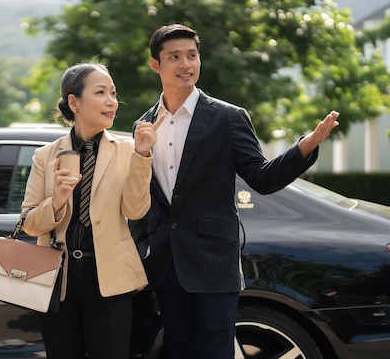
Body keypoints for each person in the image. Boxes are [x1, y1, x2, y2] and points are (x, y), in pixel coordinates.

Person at [129, 23, 340, 359]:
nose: (186, 64)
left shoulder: (227, 117)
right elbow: (141, 196)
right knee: (178, 351)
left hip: (213, 261)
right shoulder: (144, 124)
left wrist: (305, 147)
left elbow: (262, 178)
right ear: (156, 65)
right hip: (166, 265)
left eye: (192, 55)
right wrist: (144, 249)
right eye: (175, 57)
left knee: (216, 351)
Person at [20, 62, 163, 359]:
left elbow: (135, 211)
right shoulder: (45, 156)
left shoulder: (128, 150)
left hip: (108, 278)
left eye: (113, 93)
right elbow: (29, 224)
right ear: (74, 102)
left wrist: (143, 155)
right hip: (57, 281)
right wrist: (57, 201)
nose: (112, 101)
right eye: (100, 93)